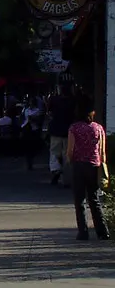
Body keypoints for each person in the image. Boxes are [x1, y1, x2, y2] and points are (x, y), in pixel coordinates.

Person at [67, 96, 110, 241]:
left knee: (79, 200)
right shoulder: (98, 128)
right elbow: (103, 151)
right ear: (91, 113)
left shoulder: (74, 128)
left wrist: (69, 161)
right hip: (94, 165)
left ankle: (83, 232)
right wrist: (102, 166)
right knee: (94, 198)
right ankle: (102, 231)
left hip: (78, 165)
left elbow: (70, 150)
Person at [48, 85, 74, 186]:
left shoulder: (54, 100)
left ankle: (56, 171)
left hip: (56, 130)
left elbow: (49, 112)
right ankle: (66, 178)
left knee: (54, 152)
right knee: (67, 154)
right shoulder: (73, 101)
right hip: (68, 130)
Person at [22, 96, 43, 171]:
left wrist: (33, 118)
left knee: (34, 147)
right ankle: (28, 162)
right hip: (26, 129)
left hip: (34, 129)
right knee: (28, 147)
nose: (31, 104)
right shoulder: (26, 110)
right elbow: (24, 118)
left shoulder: (37, 110)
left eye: (32, 102)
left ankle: (32, 158)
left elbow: (39, 120)